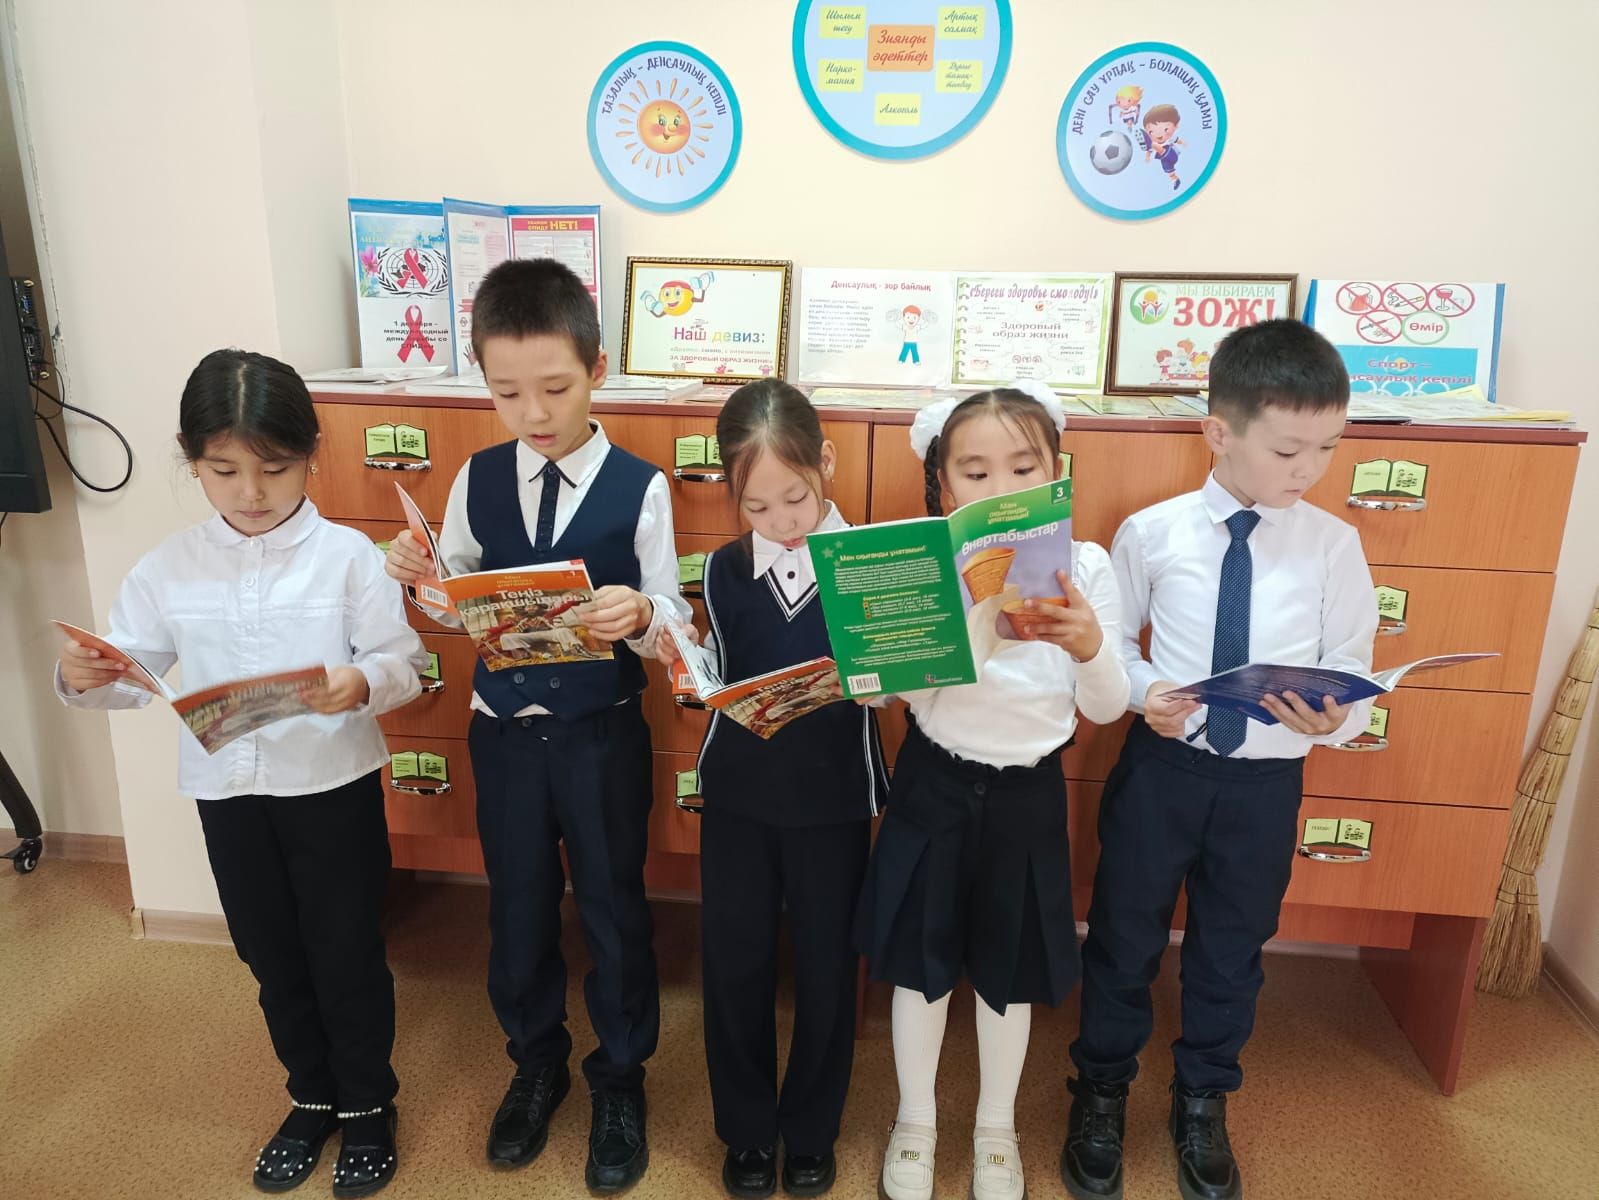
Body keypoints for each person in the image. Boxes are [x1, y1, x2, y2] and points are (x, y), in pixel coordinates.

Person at [56, 348, 427, 1197]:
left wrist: (360, 682)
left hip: (329, 785)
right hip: (226, 792)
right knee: (267, 951)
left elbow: (401, 662)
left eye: (274, 468)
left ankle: (368, 1103)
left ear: (311, 456)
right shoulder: (167, 567)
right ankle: (311, 1094)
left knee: (345, 948)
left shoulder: (349, 557)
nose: (251, 492)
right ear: (192, 460)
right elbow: (130, 670)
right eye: (223, 471)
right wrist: (85, 674)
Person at [383, 258, 689, 1193]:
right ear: (485, 382)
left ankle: (621, 1076)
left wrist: (642, 613)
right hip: (505, 732)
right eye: (508, 392)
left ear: (595, 369)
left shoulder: (640, 486)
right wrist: (422, 583)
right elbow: (452, 602)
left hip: (601, 732)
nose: (534, 412)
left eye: (554, 388)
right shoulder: (475, 477)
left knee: (613, 908)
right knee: (515, 905)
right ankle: (535, 1061)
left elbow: (672, 619)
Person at [1062, 319, 1378, 1200]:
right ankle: (1100, 1089)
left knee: (1231, 949)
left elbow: (1352, 664)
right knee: (1122, 936)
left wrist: (1333, 720)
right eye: (1287, 449)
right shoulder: (1151, 532)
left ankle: (1202, 1096)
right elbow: (1112, 648)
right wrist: (1143, 694)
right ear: (1218, 432)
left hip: (1264, 786)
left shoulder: (1332, 545)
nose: (1308, 468)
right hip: (1162, 772)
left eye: (1327, 447)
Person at [856, 383, 1131, 1200]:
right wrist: (963, 628)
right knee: (922, 964)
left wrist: (1088, 647)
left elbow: (1106, 707)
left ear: (1056, 474)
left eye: (1022, 468)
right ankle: (914, 1121)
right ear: (943, 486)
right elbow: (887, 696)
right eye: (975, 473)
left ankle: (994, 1129)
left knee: (1006, 973)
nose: (1000, 489)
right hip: (933, 782)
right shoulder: (921, 563)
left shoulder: (1085, 566)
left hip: (1027, 794)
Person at [661, 379, 887, 1198]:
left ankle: (812, 1130)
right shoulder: (724, 571)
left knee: (828, 968)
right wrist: (687, 664)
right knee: (735, 963)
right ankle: (748, 1130)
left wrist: (882, 678)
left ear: (826, 462)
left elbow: (899, 681)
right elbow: (719, 671)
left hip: (832, 797)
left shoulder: (871, 561)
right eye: (756, 507)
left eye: (794, 498)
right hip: (738, 795)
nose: (781, 521)